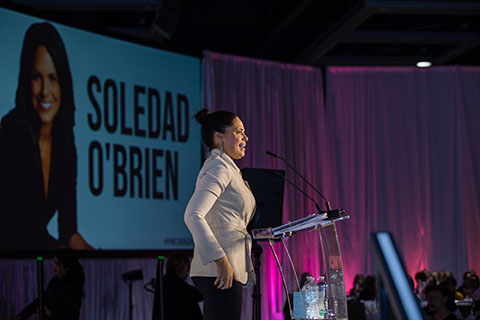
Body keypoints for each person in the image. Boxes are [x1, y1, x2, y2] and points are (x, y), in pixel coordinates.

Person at [0, 22, 91, 250]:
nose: (44, 92)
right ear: (25, 81)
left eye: (53, 78)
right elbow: (16, 228)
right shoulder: (11, 132)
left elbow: (68, 232)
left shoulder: (66, 144)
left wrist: (99, 257)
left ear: (64, 84)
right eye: (36, 77)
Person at [184, 109, 255, 320]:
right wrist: (220, 259)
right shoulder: (218, 167)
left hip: (226, 267)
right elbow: (193, 214)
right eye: (239, 131)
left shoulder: (228, 168)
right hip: (220, 269)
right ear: (219, 136)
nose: (246, 137)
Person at [16, 248, 85, 319]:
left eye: (57, 263)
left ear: (67, 266)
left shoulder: (73, 285)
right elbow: (40, 301)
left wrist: (50, 313)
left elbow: (70, 314)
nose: (54, 266)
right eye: (54, 262)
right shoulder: (55, 281)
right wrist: (20, 316)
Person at [163, 254, 203, 320]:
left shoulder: (166, 282)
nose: (188, 270)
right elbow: (198, 295)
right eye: (187, 265)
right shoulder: (178, 285)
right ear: (179, 266)